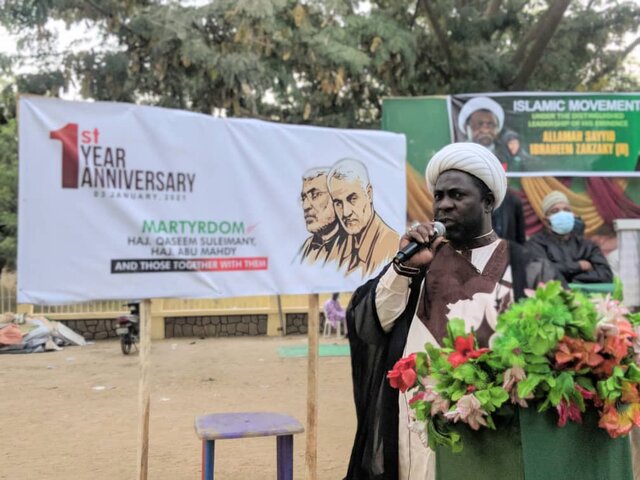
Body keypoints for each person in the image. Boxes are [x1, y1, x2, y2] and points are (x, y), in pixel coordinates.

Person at [344, 142, 560, 480]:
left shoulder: (527, 266)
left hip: (495, 427)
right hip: (419, 426)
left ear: (488, 201)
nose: (444, 204)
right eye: (439, 196)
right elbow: (370, 322)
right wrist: (404, 269)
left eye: (457, 196)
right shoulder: (419, 261)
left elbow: (554, 347)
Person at [327, 158, 399, 277]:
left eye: (352, 199)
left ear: (369, 194)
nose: (345, 212)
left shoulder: (392, 246)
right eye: (338, 203)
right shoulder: (337, 248)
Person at [527, 191, 613, 284]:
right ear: (546, 220)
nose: (562, 214)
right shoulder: (536, 243)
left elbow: (605, 275)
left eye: (566, 210)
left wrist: (573, 281)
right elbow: (542, 272)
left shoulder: (587, 245)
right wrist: (579, 266)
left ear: (572, 215)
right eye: (555, 211)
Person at [297, 167, 344, 265]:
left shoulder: (357, 246)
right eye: (303, 198)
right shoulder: (306, 247)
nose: (306, 206)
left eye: (315, 194)